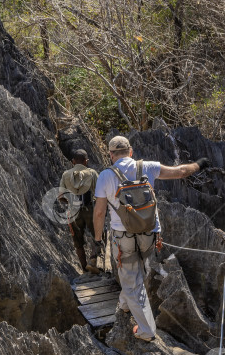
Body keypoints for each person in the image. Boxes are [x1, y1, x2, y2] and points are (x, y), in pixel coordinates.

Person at [93, 136, 209, 342]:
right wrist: (199, 164)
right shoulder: (148, 167)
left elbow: (100, 212)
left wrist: (96, 237)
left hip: (123, 235)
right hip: (150, 233)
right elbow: (181, 171)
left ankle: (146, 330)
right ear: (130, 151)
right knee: (138, 271)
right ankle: (126, 304)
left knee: (131, 279)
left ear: (111, 155)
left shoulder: (105, 176)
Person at [59, 149, 101, 274]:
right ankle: (92, 261)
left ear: (73, 162)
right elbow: (100, 193)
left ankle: (84, 269)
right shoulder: (91, 173)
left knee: (78, 242)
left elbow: (60, 196)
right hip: (89, 209)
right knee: (98, 235)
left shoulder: (66, 174)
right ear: (86, 161)